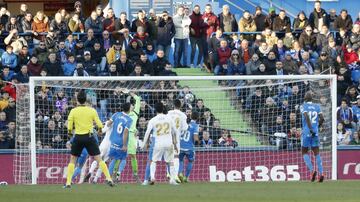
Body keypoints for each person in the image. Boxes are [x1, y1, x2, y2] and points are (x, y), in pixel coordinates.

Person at [64, 90, 114, 188]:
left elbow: (69, 126)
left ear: (77, 100)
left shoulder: (73, 111)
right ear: (86, 100)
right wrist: (100, 130)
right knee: (99, 159)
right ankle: (109, 178)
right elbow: (99, 124)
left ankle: (68, 182)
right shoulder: (92, 110)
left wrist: (70, 134)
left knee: (72, 160)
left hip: (78, 137)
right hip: (89, 137)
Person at [142, 102, 179, 185]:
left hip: (158, 143)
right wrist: (175, 143)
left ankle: (152, 177)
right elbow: (175, 131)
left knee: (153, 161)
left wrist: (143, 144)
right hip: (168, 143)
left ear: (155, 110)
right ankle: (172, 180)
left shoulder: (153, 120)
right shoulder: (169, 118)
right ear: (163, 109)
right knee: (171, 162)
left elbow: (147, 133)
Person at [300, 92, 325, 183]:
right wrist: (317, 127)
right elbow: (322, 118)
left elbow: (306, 116)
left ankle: (312, 170)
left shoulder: (303, 106)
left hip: (307, 131)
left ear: (305, 98)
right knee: (317, 153)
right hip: (315, 132)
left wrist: (310, 129)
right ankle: (321, 173)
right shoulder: (317, 106)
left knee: (304, 152)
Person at [107, 102, 133, 183]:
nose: (132, 107)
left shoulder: (116, 114)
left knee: (114, 159)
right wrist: (125, 145)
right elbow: (125, 132)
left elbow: (108, 124)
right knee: (124, 158)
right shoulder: (129, 120)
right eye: (131, 106)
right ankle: (118, 174)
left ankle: (108, 177)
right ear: (129, 109)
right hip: (121, 142)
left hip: (113, 140)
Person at [167, 99, 188, 182]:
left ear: (173, 105)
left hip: (167, 137)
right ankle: (174, 175)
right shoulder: (183, 115)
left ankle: (168, 173)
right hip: (176, 138)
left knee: (168, 156)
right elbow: (185, 128)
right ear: (180, 106)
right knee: (176, 156)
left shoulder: (168, 113)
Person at [178, 111, 199, 183]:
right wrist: (198, 141)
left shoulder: (185, 124)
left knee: (180, 160)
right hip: (189, 147)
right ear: (198, 118)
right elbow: (196, 138)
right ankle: (186, 177)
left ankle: (180, 172)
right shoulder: (196, 126)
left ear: (190, 116)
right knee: (191, 161)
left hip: (181, 146)